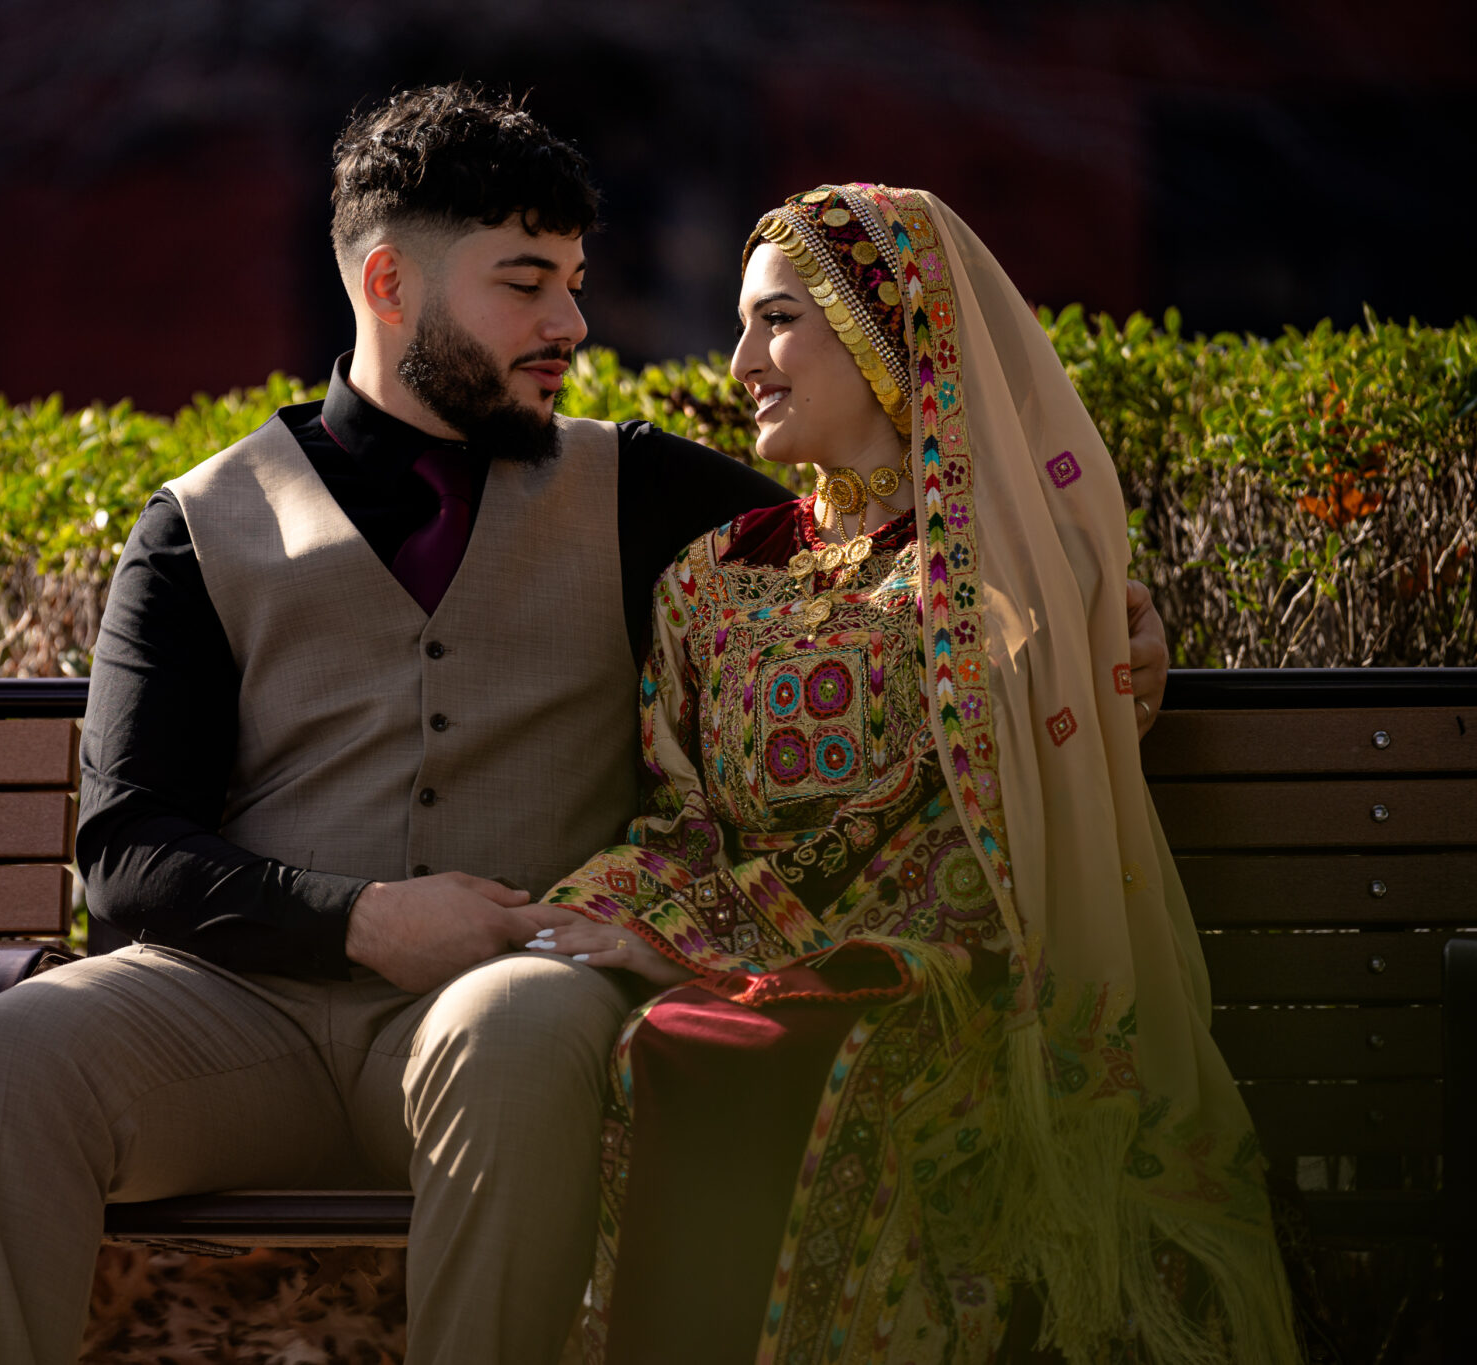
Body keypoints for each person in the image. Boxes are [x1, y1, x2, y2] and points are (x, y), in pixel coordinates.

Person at [0, 87, 1169, 1364]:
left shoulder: (639, 490)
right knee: (11, 1052)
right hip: (238, 1023)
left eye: (572, 280)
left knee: (509, 1027)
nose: (570, 323)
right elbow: (126, 857)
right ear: (388, 283)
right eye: (525, 285)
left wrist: (1097, 602)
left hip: (507, 1000)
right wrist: (358, 919)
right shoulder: (195, 524)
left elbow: (903, 534)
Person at [531, 184, 1296, 1364]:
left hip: (961, 995)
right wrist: (633, 922)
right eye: (742, 324)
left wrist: (736, 955)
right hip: (755, 979)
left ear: (883, 335)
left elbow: (989, 844)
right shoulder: (711, 576)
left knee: (743, 1056)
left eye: (777, 321)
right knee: (662, 1044)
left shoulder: (1006, 575)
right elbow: (680, 813)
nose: (739, 362)